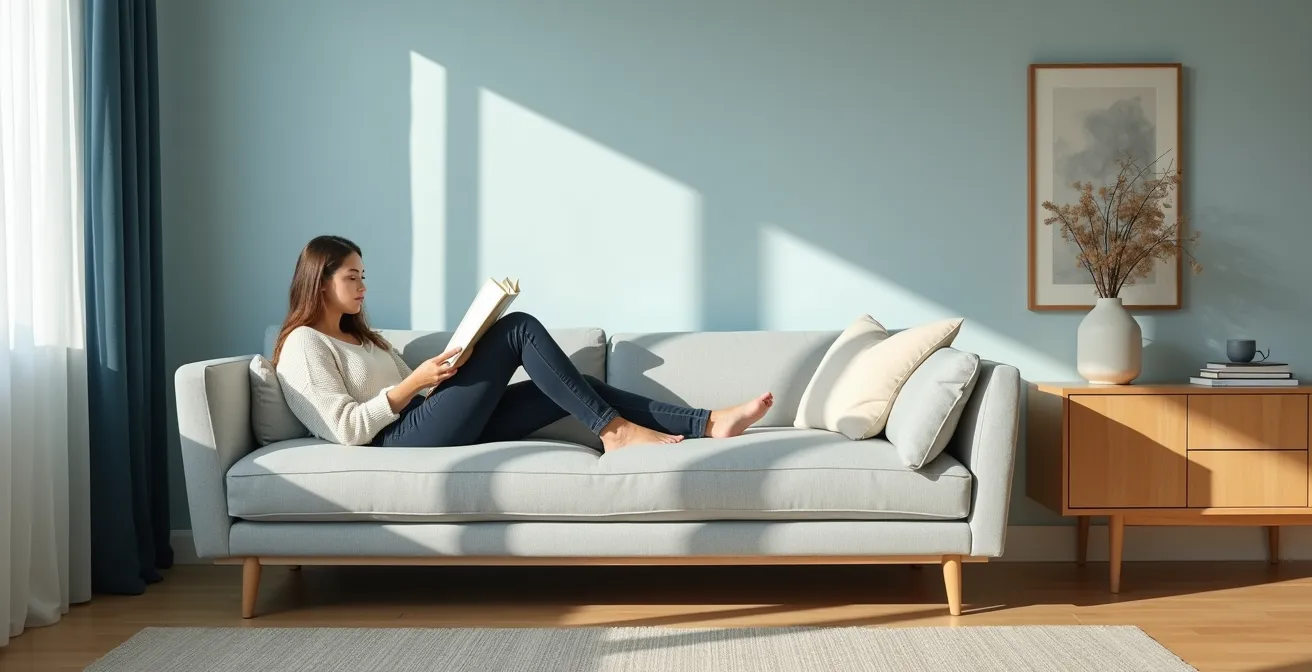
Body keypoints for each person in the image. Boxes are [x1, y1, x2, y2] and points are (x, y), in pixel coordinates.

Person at [273, 235, 774, 452]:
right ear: (320, 282)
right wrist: (415, 384)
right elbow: (345, 429)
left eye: (364, 276)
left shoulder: (361, 338)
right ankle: (615, 432)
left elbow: (413, 391)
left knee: (585, 385)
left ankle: (709, 423)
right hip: (393, 442)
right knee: (518, 329)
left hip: (425, 419)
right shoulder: (304, 346)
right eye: (352, 277)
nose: (363, 286)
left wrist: (446, 369)